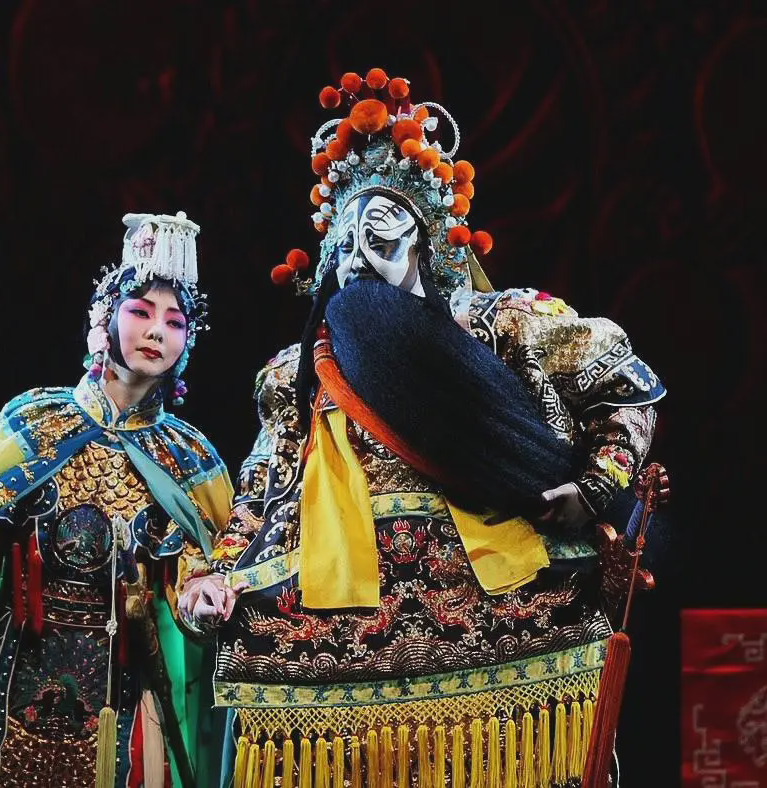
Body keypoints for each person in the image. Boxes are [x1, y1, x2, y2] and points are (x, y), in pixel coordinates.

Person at [179, 69, 666, 786]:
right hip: (342, 630)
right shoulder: (299, 371)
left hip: (502, 616)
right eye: (344, 240)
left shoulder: (503, 324)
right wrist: (217, 574)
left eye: (378, 230)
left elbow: (627, 388)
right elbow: (265, 488)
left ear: (423, 239)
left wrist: (595, 487)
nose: (357, 254)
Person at [0, 211, 233, 788]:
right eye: (140, 312)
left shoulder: (189, 457)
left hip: (128, 703)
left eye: (174, 321)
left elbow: (202, 568)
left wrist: (203, 599)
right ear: (104, 321)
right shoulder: (36, 421)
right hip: (10, 684)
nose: (157, 331)